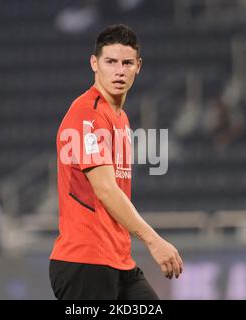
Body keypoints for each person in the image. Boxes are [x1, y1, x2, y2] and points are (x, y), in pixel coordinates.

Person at [49, 24, 183, 300]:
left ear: (138, 66)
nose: (119, 70)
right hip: (85, 262)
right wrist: (153, 240)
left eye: (127, 63)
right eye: (110, 62)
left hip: (117, 261)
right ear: (94, 64)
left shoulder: (120, 118)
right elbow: (106, 189)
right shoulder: (88, 115)